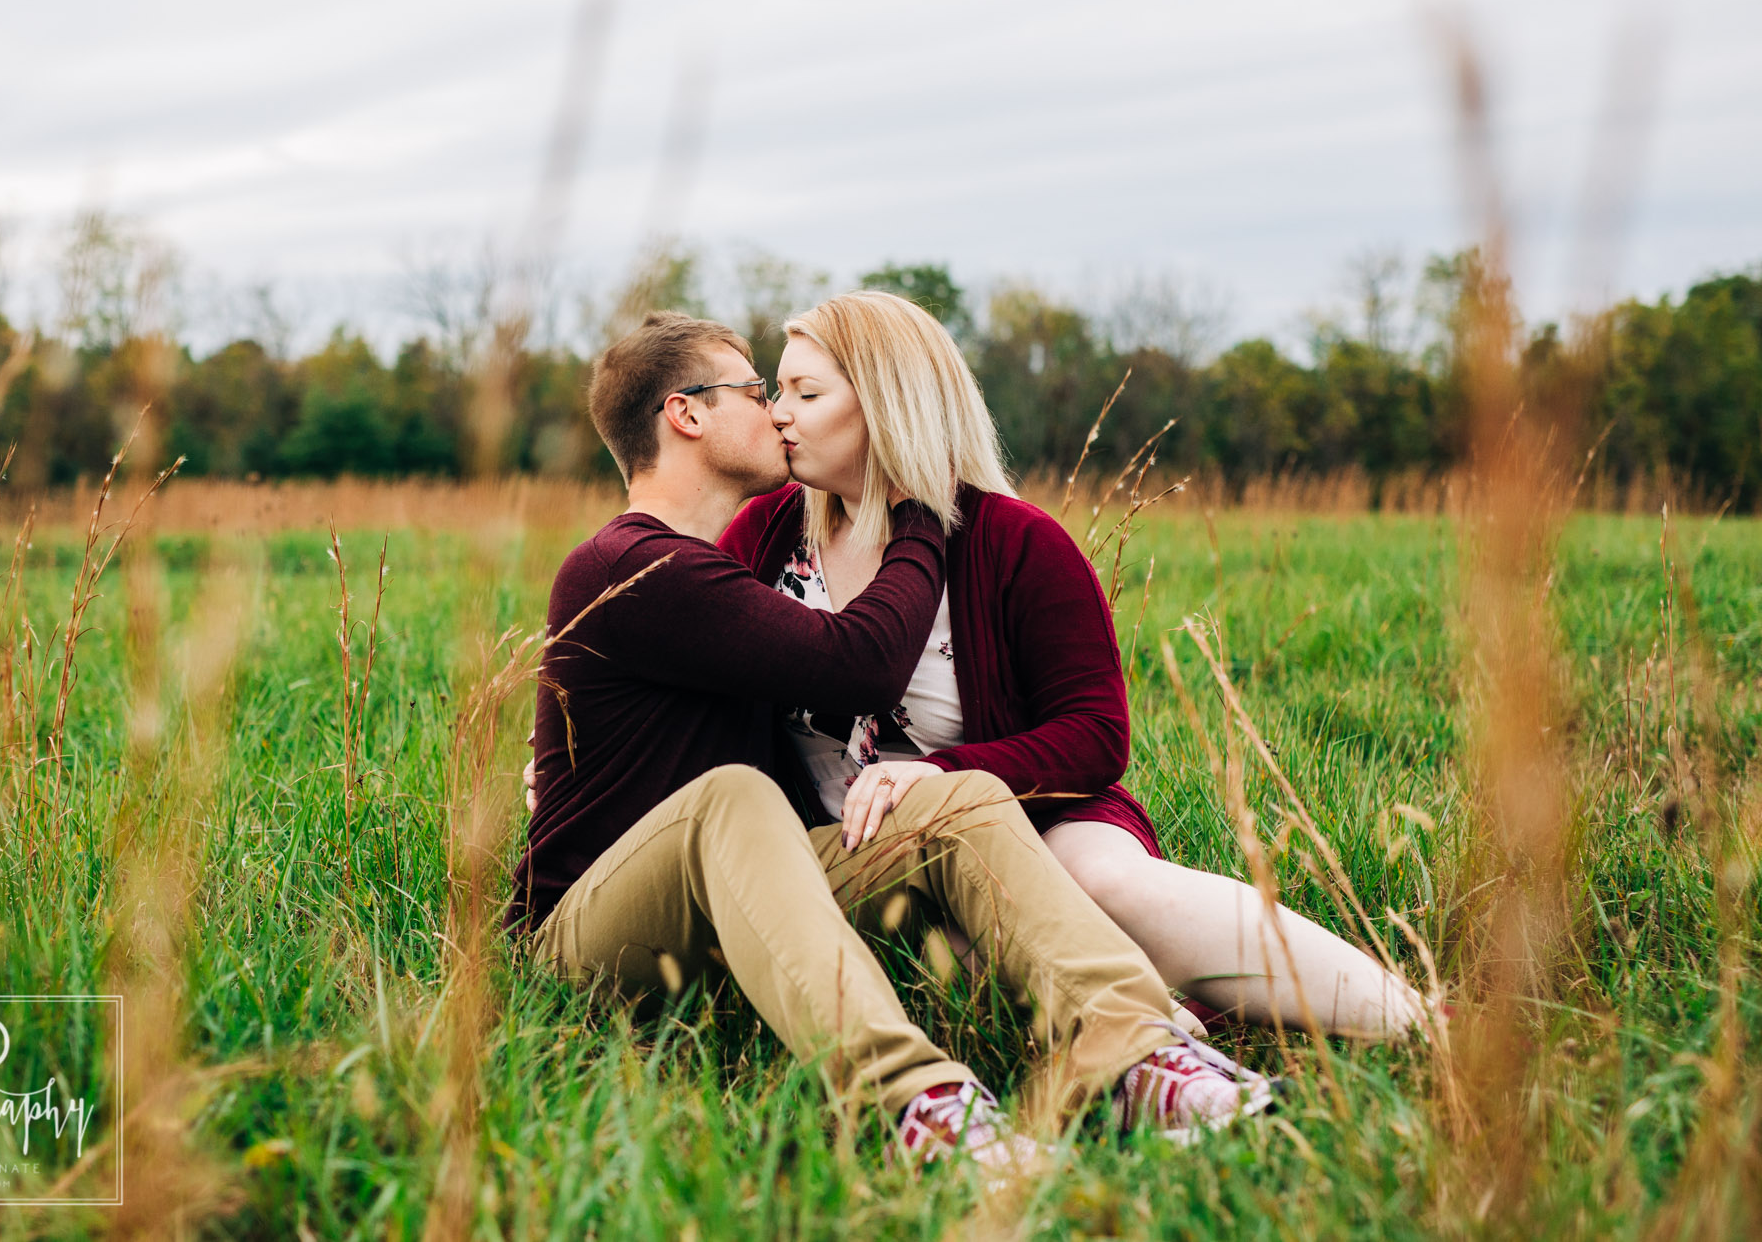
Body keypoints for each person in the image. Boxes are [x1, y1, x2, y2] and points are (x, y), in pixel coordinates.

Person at [513, 310, 1277, 1179]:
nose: (777, 412)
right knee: (734, 792)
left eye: (796, 392)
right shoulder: (632, 565)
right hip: (589, 934)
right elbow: (863, 665)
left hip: (733, 900)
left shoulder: (726, 564)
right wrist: (920, 506)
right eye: (760, 391)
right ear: (686, 414)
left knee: (957, 796)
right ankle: (916, 1105)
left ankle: (1138, 1053)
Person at [718, 290, 1427, 1039]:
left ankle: (1415, 1022)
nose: (779, 413)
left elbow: (1095, 734)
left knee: (1101, 880)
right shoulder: (763, 538)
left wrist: (949, 772)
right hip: (859, 856)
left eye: (807, 392)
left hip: (1035, 819)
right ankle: (1180, 1021)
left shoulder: (1014, 541)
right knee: (956, 967)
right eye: (778, 390)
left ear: (889, 403)